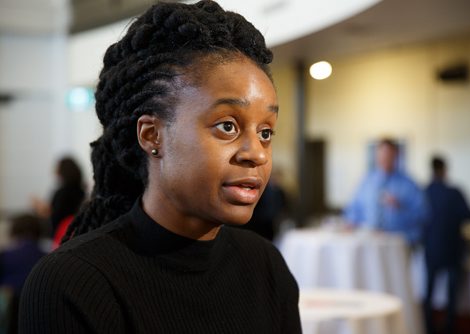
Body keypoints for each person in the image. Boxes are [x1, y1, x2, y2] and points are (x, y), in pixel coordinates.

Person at [19, 1, 301, 333]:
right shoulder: (74, 282)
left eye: (266, 132)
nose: (257, 154)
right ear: (153, 135)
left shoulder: (266, 266)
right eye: (228, 126)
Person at [423, 156, 470, 334]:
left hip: (431, 249)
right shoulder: (455, 192)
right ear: (445, 170)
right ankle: (449, 325)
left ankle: (427, 325)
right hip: (453, 249)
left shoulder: (424, 192)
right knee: (451, 292)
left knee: (429, 290)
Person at [343, 138, 428, 245]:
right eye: (381, 154)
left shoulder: (409, 185)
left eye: (388, 155)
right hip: (370, 241)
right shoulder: (366, 182)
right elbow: (353, 209)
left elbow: (422, 215)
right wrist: (351, 222)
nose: (385, 158)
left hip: (399, 243)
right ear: (376, 156)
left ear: (396, 156)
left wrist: (400, 207)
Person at [0, 214, 47, 334]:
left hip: (9, 314)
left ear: (13, 231)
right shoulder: (49, 257)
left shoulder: (5, 255)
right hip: (39, 314)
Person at [31, 156, 86, 237]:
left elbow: (55, 215)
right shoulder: (81, 190)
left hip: (60, 232)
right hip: (75, 231)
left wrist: (41, 208)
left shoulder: (62, 192)